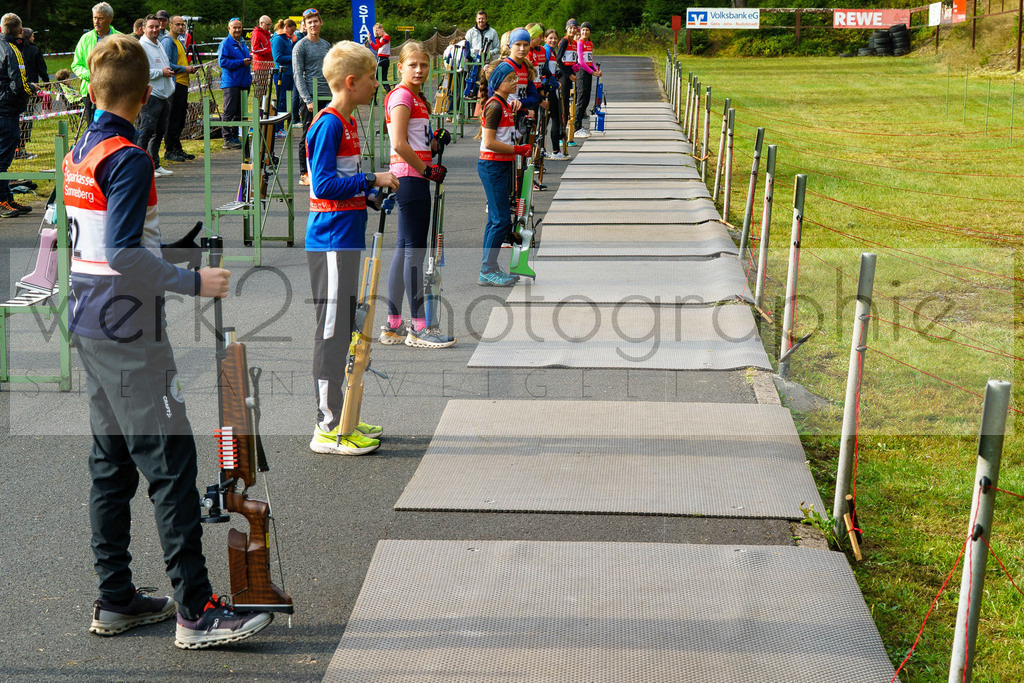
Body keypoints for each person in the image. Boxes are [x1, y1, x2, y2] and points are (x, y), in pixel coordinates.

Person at [66, 33, 272, 649]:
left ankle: (117, 596)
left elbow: (102, 240)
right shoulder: (128, 155)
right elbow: (126, 254)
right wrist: (193, 279)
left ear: (96, 88)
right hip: (126, 326)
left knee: (111, 464)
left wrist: (175, 255)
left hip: (90, 317)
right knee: (172, 464)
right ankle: (196, 609)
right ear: (148, 88)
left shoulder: (84, 145)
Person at [304, 40, 398, 455]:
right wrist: (370, 181)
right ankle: (328, 425)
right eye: (373, 78)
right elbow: (322, 185)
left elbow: (345, 184)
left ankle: (345, 416)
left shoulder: (349, 121)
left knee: (347, 328)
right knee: (333, 331)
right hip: (330, 238)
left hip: (346, 232)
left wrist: (371, 196)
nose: (377, 85)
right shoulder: (327, 123)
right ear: (351, 81)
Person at [379, 42, 455, 349]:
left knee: (404, 249)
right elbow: (398, 143)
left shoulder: (417, 98)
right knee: (414, 252)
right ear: (400, 66)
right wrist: (426, 169)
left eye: (424, 65)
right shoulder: (401, 96)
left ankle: (394, 324)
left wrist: (435, 143)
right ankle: (419, 327)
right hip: (410, 178)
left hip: (412, 177)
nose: (419, 70)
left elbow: (416, 141)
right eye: (413, 65)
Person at [478, 67, 531, 286]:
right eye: (509, 79)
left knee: (495, 219)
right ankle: (487, 269)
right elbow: (489, 142)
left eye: (515, 78)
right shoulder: (495, 106)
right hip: (492, 165)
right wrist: (517, 150)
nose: (515, 82)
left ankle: (489, 267)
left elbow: (507, 136)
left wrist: (520, 128)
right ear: (498, 82)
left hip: (501, 165)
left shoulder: (506, 105)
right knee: (500, 220)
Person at [293, 7, 330, 186]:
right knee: (309, 134)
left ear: (321, 23)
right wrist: (307, 99)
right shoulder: (300, 46)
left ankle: (323, 170)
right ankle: (304, 173)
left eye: (316, 21)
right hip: (310, 96)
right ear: (305, 26)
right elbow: (298, 75)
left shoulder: (326, 45)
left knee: (327, 133)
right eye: (310, 22)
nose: (313, 25)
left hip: (327, 95)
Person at [0, 13, 32, 218]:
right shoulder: (12, 50)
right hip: (7, 110)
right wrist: (32, 91)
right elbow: (18, 84)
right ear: (20, 31)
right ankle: (3, 201)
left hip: (3, 107)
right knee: (3, 158)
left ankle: (7, 197)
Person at [72, 2, 121, 126]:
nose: (96, 22)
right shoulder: (85, 39)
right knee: (94, 130)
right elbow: (76, 65)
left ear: (110, 19)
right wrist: (92, 75)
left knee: (113, 128)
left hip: (115, 92)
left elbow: (126, 65)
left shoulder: (121, 39)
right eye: (94, 18)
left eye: (100, 18)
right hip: (90, 92)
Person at [137, 15, 175, 176]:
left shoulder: (158, 42)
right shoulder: (141, 47)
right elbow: (139, 72)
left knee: (160, 130)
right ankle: (139, 167)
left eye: (157, 26)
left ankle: (154, 164)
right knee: (146, 130)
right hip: (150, 93)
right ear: (143, 29)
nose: (154, 30)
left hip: (164, 93)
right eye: (151, 27)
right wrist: (161, 72)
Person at [163, 16, 199, 162]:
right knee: (173, 118)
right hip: (175, 83)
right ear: (170, 25)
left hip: (182, 83)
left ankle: (177, 147)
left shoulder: (179, 41)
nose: (181, 27)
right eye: (177, 24)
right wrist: (185, 68)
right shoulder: (168, 41)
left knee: (180, 118)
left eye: (182, 25)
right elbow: (168, 64)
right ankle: (169, 149)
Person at [217, 18, 251, 150]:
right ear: (228, 28)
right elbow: (223, 62)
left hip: (243, 82)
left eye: (239, 27)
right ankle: (227, 138)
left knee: (239, 112)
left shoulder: (241, 42)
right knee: (229, 111)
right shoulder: (226, 43)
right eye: (234, 28)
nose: (237, 30)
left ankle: (235, 136)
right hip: (231, 83)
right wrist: (241, 62)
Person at [573, 22, 602, 139]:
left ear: (590, 32)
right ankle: (576, 127)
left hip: (588, 71)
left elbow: (590, 60)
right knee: (581, 99)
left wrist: (596, 70)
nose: (585, 32)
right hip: (582, 72)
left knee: (586, 99)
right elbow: (581, 61)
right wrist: (592, 72)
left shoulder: (589, 43)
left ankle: (579, 125)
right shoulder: (580, 43)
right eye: (583, 30)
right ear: (580, 31)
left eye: (587, 30)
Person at [542, 29, 567, 160]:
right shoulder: (546, 50)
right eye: (550, 38)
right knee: (554, 119)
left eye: (555, 38)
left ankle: (544, 149)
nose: (553, 40)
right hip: (548, 88)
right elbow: (545, 71)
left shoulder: (551, 51)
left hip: (550, 88)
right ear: (545, 39)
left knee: (547, 121)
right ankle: (555, 151)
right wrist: (555, 83)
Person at [271, 19, 297, 136]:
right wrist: (294, 57)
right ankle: (278, 128)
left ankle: (282, 127)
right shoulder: (278, 39)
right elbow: (277, 57)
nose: (292, 33)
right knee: (281, 101)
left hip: (289, 74)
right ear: (286, 27)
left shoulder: (286, 39)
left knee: (287, 101)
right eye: (291, 30)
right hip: (281, 74)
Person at [556, 20, 578, 146]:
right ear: (567, 29)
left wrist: (576, 68)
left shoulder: (574, 43)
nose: (572, 30)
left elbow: (574, 60)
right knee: (564, 105)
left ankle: (569, 135)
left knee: (571, 105)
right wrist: (569, 74)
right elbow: (559, 60)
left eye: (575, 28)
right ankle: (561, 134)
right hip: (565, 76)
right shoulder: (564, 41)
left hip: (572, 75)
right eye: (570, 28)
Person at [250, 15, 274, 98]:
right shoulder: (256, 33)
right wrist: (270, 50)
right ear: (261, 23)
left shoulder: (267, 34)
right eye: (267, 25)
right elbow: (255, 49)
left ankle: (263, 108)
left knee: (264, 90)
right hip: (260, 66)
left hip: (267, 65)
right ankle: (258, 109)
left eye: (270, 25)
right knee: (261, 90)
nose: (269, 27)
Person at [366, 23, 391, 94]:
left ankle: (373, 97)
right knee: (383, 79)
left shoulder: (386, 37)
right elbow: (376, 47)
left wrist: (376, 37)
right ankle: (389, 93)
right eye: (375, 31)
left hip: (382, 59)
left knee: (376, 78)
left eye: (377, 31)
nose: (376, 33)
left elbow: (379, 45)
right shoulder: (382, 38)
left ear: (382, 29)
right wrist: (370, 40)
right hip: (383, 59)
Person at [291, 18, 306, 123]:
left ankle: (297, 117)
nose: (306, 27)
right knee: (296, 93)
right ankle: (295, 118)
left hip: (305, 70)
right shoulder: (297, 37)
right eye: (304, 25)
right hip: (297, 69)